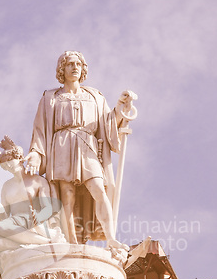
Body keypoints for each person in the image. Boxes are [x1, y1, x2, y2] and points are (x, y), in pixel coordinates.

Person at [24, 51, 135, 250]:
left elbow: (108, 124)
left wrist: (120, 109)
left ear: (83, 69)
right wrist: (35, 153)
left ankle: (110, 238)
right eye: (70, 64)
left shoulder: (95, 96)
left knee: (99, 189)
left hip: (87, 145)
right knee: (66, 195)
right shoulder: (51, 97)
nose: (75, 67)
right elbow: (40, 130)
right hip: (62, 145)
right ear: (62, 69)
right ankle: (71, 242)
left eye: (78, 64)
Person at [0, 136, 65, 275]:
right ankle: (40, 245)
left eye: (9, 161)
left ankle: (45, 241)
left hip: (34, 222)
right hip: (16, 224)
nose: (8, 166)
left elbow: (48, 208)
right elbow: (5, 216)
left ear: (19, 158)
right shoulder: (6, 186)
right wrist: (0, 211)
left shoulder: (37, 181)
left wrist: (39, 217)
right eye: (4, 164)